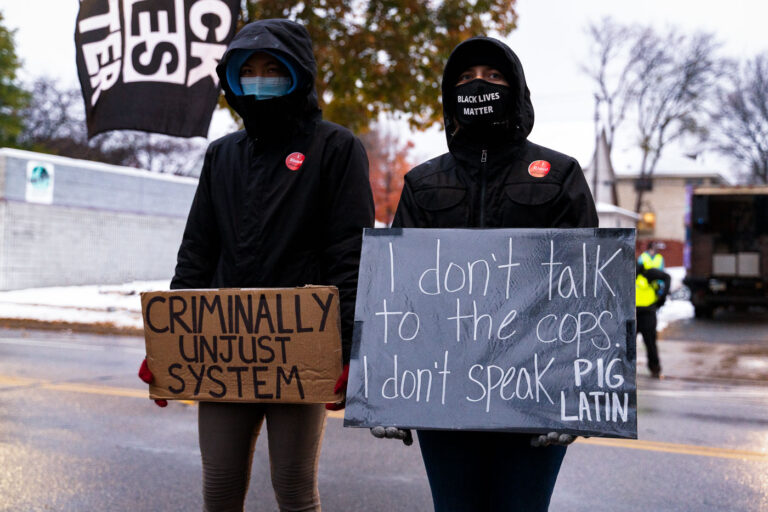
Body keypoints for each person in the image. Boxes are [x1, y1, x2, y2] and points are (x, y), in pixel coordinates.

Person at [138, 19, 374, 512]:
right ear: (232, 80)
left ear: (298, 74)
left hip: (302, 349)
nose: (260, 78)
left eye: (273, 69)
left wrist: (351, 351)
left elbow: (350, 256)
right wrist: (168, 345)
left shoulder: (336, 148)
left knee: (293, 489)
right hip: (222, 348)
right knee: (219, 488)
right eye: (249, 70)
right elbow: (197, 252)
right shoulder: (222, 155)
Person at [372, 36, 598, 511]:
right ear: (450, 97)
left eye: (494, 77)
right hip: (443, 394)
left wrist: (579, 390)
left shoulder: (559, 174)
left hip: (536, 395)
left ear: (517, 91)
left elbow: (588, 293)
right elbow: (398, 294)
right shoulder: (422, 181)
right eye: (466, 79)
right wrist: (384, 389)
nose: (479, 85)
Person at [636, 261, 671, 379]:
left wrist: (662, 297)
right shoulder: (624, 273)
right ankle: (625, 369)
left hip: (647, 314)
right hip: (630, 314)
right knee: (627, 345)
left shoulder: (647, 273)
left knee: (650, 343)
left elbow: (667, 277)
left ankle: (655, 368)